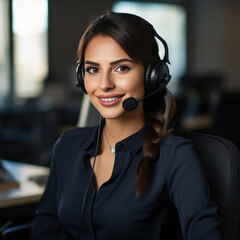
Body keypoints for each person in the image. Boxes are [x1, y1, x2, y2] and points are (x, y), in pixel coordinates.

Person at [29, 12, 223, 240]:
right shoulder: (68, 146)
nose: (104, 84)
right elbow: (44, 231)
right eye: (93, 69)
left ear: (152, 75)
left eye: (121, 68)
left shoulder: (175, 156)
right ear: (82, 78)